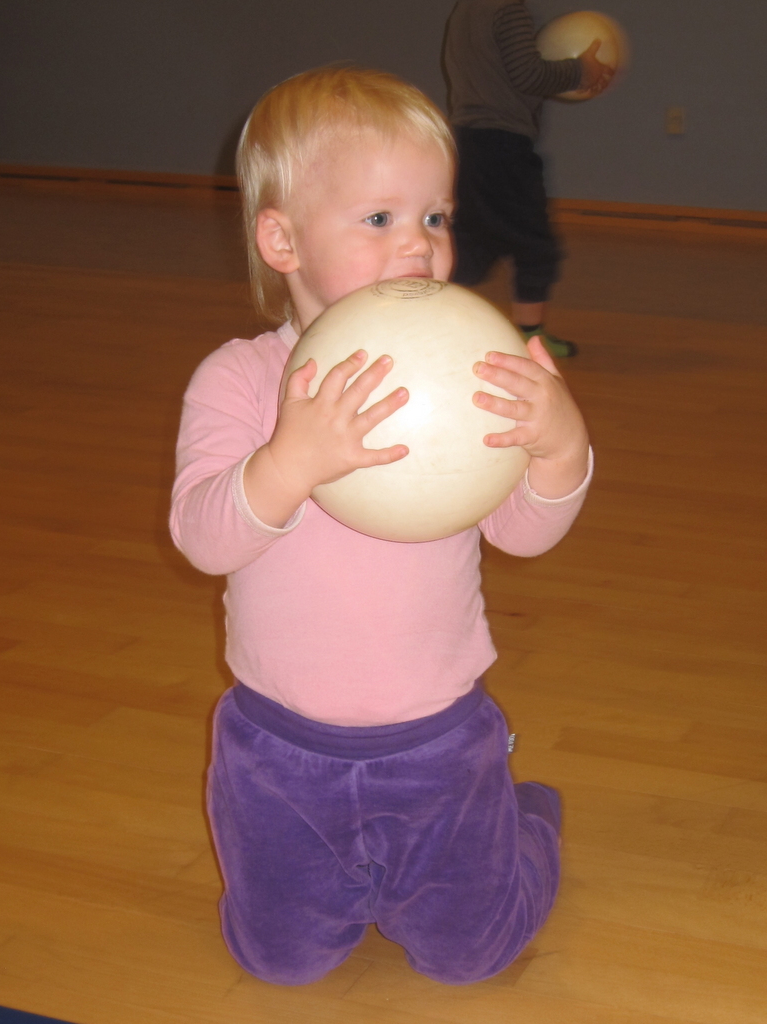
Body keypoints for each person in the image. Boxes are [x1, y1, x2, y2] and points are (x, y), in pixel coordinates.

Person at [170, 65, 592, 986]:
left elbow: (524, 532)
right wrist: (288, 462)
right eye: (379, 217)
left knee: (470, 955)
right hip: (275, 745)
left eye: (436, 217)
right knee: (276, 961)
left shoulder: (464, 368)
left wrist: (561, 449)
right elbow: (204, 537)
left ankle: (525, 821)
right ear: (281, 238)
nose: (419, 245)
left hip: (438, 740)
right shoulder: (239, 380)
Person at [444, 0, 615, 357]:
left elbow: (504, 76)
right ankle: (530, 339)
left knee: (474, 244)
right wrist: (579, 71)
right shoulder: (508, 9)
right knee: (535, 246)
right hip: (503, 146)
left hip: (469, 144)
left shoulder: (465, 10)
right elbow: (529, 75)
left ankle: (423, 313)